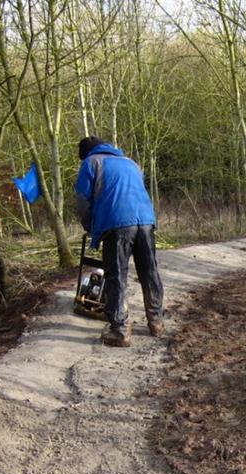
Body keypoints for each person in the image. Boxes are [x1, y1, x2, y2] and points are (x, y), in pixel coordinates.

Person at [75, 136, 164, 347]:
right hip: (146, 220)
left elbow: (82, 199)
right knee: (149, 271)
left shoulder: (91, 162)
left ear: (86, 152)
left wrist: (89, 225)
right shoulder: (130, 162)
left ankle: (121, 331)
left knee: (116, 275)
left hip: (117, 224)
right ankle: (157, 322)